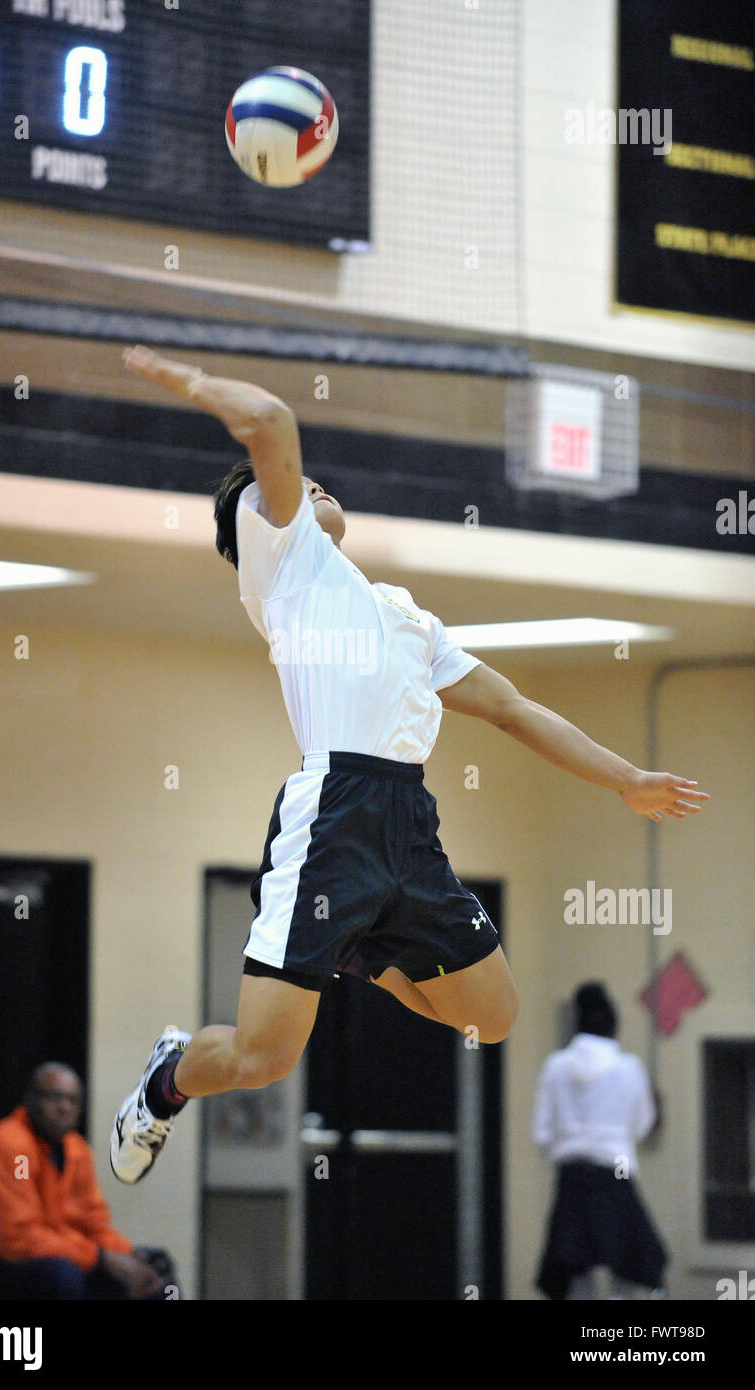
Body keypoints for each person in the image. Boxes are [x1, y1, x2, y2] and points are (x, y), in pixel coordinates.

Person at [110, 346, 709, 1186]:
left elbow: (513, 709)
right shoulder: (282, 562)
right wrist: (199, 388)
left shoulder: (404, 616)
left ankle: (365, 951)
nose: (317, 492)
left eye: (318, 488)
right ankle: (169, 1077)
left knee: (492, 1017)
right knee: (261, 1060)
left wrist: (625, 779)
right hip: (332, 816)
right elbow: (274, 426)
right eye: (299, 489)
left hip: (407, 819)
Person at [0, 1063, 178, 1299]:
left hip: (51, 1254)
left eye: (72, 1100)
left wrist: (127, 1254)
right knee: (61, 1276)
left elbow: (92, 1223)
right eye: (54, 1097)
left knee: (155, 1266)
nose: (64, 1108)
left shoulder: (75, 1151)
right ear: (30, 1100)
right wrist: (101, 1258)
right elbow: (17, 1240)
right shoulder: (14, 1149)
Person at [532, 982, 667, 1299]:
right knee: (635, 1269)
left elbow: (541, 1134)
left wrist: (572, 1143)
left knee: (574, 1276)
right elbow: (641, 1126)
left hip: (571, 1179)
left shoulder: (555, 1068)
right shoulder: (629, 1068)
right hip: (615, 1175)